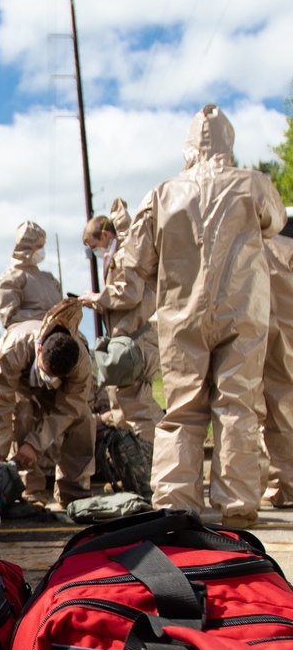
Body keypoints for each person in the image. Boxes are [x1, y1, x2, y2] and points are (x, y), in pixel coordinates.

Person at [118, 105, 286, 529]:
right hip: (242, 310)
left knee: (183, 410)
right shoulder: (253, 184)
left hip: (181, 313)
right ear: (228, 142)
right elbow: (275, 222)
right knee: (239, 405)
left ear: (189, 145)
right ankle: (239, 505)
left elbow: (135, 258)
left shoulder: (162, 192)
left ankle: (176, 504)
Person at [0, 308, 95, 508]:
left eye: (54, 375)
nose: (48, 378)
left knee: (84, 420)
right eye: (46, 372)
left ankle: (74, 493)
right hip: (20, 381)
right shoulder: (13, 349)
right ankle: (31, 492)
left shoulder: (82, 364)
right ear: (40, 348)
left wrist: (36, 443)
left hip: (59, 392)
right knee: (22, 414)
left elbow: (70, 408)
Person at [79, 198, 162, 444]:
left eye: (94, 246)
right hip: (127, 342)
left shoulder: (126, 256)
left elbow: (130, 293)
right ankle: (141, 466)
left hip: (136, 342)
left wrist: (98, 297)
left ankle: (159, 466)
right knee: (125, 410)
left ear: (105, 235)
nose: (95, 253)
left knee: (140, 410)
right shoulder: (119, 256)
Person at [262, 213, 293, 507]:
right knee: (283, 408)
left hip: (254, 333)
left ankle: (278, 485)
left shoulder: (258, 246)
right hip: (285, 335)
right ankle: (286, 485)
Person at [0, 220, 63, 329]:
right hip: (27, 338)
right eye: (39, 246)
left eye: (43, 246)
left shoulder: (49, 279)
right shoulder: (9, 279)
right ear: (26, 246)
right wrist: (47, 316)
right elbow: (10, 317)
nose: (42, 250)